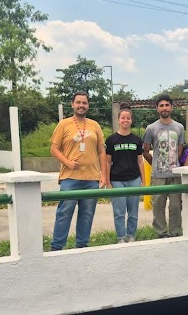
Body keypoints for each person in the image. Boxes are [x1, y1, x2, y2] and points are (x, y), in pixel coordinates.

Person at [49, 91, 107, 251]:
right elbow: (54, 149)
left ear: (88, 105)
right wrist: (67, 162)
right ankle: (57, 247)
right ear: (72, 104)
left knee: (87, 214)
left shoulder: (95, 125)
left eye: (84, 103)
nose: (81, 105)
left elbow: (101, 151)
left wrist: (103, 175)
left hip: (91, 178)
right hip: (70, 177)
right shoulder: (64, 124)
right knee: (64, 212)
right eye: (78, 102)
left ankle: (82, 246)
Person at [143, 94, 186, 238]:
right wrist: (155, 163)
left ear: (172, 107)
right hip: (158, 174)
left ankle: (175, 231)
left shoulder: (179, 127)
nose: (164, 108)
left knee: (176, 205)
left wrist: (174, 163)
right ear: (157, 108)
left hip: (175, 174)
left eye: (167, 105)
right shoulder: (151, 128)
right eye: (161, 105)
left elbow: (180, 148)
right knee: (158, 205)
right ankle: (161, 232)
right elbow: (145, 151)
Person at [105, 105, 145, 243]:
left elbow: (140, 162)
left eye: (128, 118)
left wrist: (144, 181)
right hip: (117, 180)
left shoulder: (136, 140)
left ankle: (131, 235)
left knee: (133, 211)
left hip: (134, 179)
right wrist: (107, 182)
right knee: (119, 212)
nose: (125, 120)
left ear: (131, 120)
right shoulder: (111, 140)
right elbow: (107, 162)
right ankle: (121, 237)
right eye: (123, 118)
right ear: (118, 120)